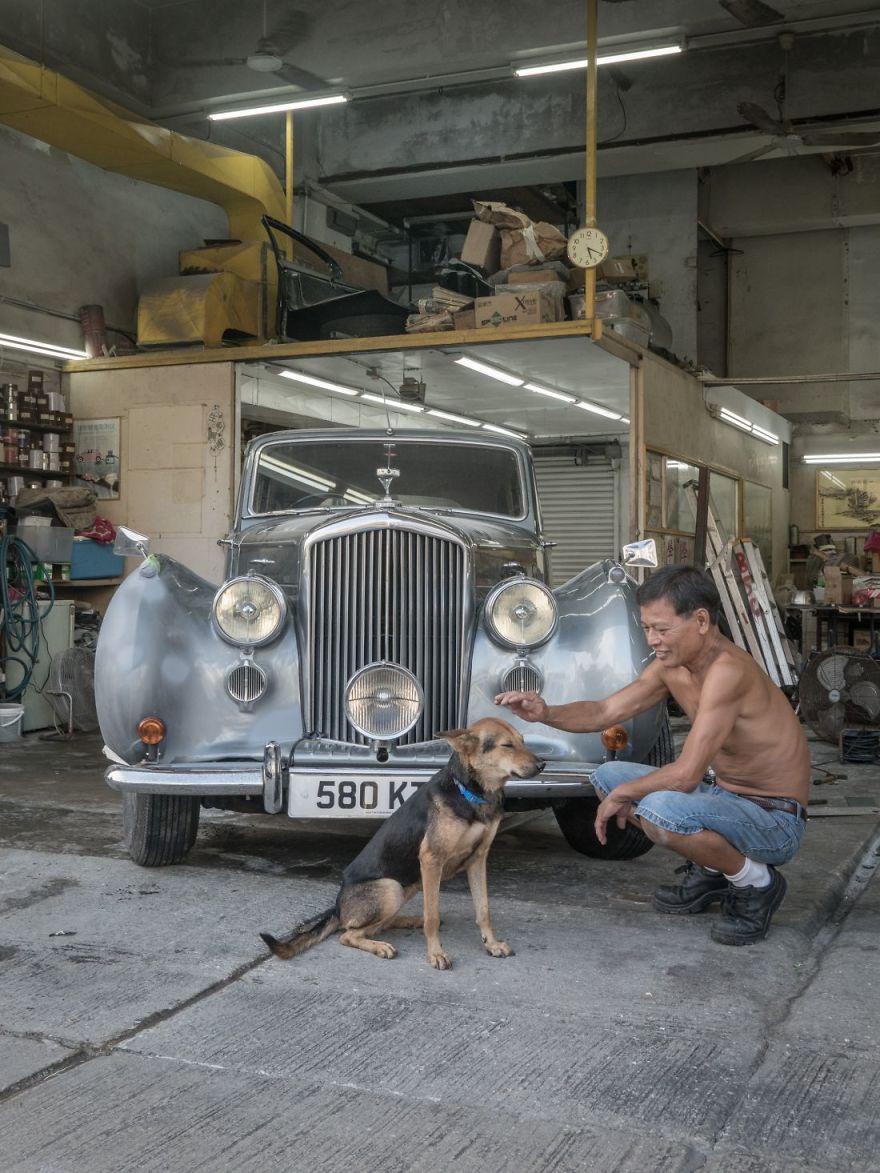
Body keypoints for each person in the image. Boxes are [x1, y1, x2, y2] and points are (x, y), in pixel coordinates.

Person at [496, 564, 810, 946]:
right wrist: (545, 712)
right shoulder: (670, 667)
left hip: (773, 819)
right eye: (646, 628)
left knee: (658, 808)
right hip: (728, 801)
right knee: (606, 778)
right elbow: (603, 712)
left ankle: (757, 882)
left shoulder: (728, 671)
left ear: (700, 620)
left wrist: (624, 796)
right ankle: (714, 869)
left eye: (661, 629)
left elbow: (687, 775)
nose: (652, 640)